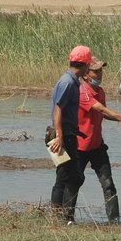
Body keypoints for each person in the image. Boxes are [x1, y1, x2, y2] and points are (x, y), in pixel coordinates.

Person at [72, 56, 121, 223]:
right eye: (95, 71)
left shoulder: (100, 92)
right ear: (86, 75)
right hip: (80, 146)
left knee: (108, 184)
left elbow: (102, 113)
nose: (100, 74)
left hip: (97, 146)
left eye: (101, 70)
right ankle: (67, 219)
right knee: (74, 183)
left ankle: (114, 221)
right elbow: (100, 108)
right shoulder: (82, 92)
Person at [48, 45, 91, 223]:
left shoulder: (73, 80)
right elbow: (58, 109)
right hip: (62, 137)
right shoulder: (67, 82)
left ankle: (63, 217)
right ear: (85, 64)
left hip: (67, 135)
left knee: (67, 176)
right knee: (70, 176)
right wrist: (60, 136)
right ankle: (61, 217)